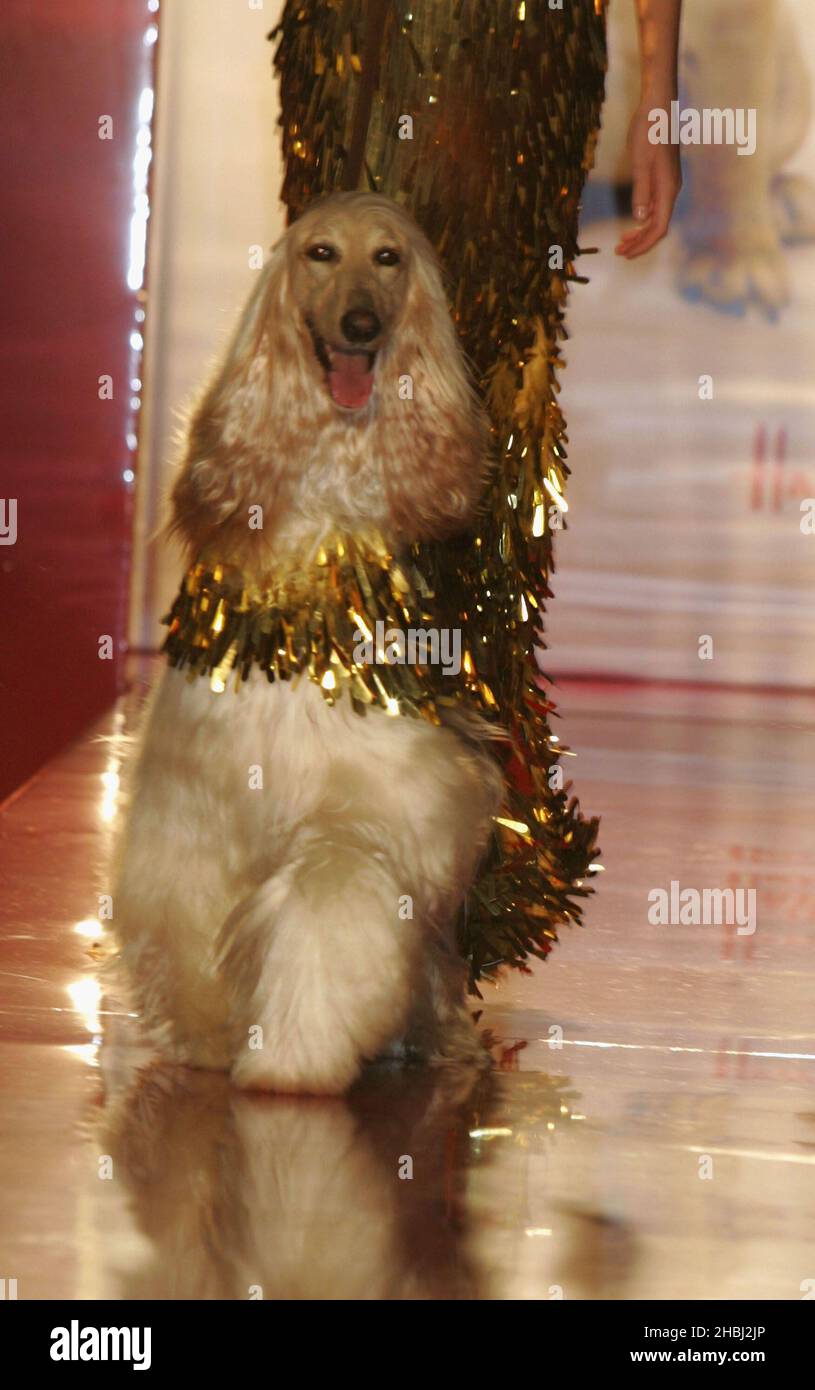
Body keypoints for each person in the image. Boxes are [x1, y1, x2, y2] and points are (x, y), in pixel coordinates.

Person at [270, 0, 682, 983]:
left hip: (511, 56)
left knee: (480, 403)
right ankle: (323, 855)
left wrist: (657, 93)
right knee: (343, 381)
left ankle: (441, 880)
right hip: (357, 42)